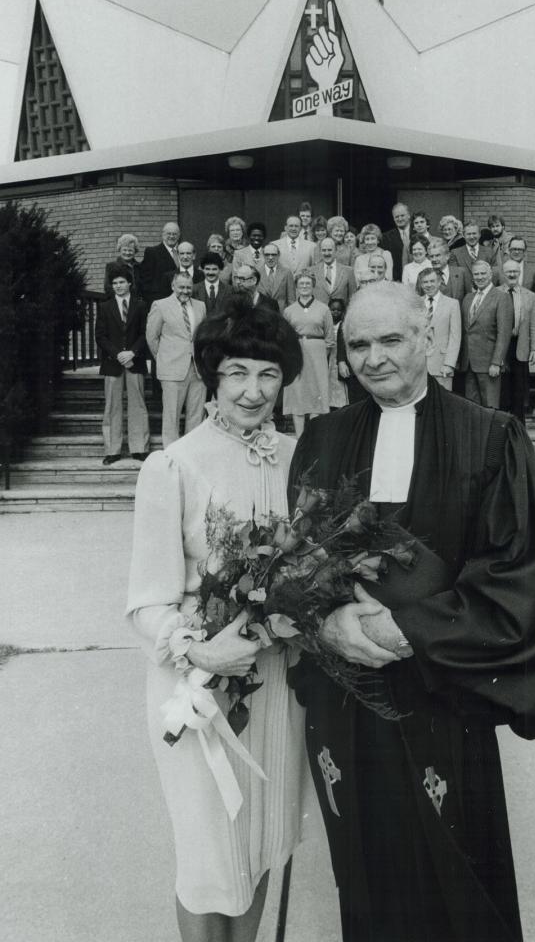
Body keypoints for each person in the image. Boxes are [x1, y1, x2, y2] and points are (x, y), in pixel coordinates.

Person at [288, 282, 535, 942]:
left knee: (453, 875)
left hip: (442, 697)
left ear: (427, 339)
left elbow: (520, 572)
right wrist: (326, 621)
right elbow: (297, 559)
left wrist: (410, 629)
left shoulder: (491, 437)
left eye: (391, 340)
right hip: (349, 697)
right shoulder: (323, 438)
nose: (373, 358)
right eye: (358, 344)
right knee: (364, 870)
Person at [127, 298, 319, 942]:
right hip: (201, 692)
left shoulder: (299, 458)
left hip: (278, 689)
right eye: (237, 372)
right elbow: (146, 601)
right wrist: (203, 653)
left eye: (267, 374)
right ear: (212, 377)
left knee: (262, 841)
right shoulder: (173, 466)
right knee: (210, 856)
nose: (253, 390)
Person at [94, 267, 150, 464]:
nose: (118, 286)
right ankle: (112, 450)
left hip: (135, 361)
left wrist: (132, 352)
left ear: (129, 284)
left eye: (122, 282)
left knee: (138, 404)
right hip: (113, 362)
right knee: (112, 406)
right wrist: (117, 353)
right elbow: (100, 335)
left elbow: (145, 333)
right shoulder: (105, 306)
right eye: (115, 283)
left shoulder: (141, 305)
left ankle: (139, 448)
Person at [146, 272, 207, 447]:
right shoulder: (160, 305)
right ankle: (171, 451)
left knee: (196, 414)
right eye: (181, 287)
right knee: (171, 414)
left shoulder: (200, 306)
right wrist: (164, 359)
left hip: (197, 368)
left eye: (188, 287)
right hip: (172, 369)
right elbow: (152, 337)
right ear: (173, 286)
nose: (185, 291)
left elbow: (201, 336)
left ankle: (191, 450)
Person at [282, 269, 335, 437]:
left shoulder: (323, 309)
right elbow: (285, 336)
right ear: (296, 287)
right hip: (297, 353)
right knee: (297, 391)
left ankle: (312, 437)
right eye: (301, 284)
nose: (304, 286)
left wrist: (322, 355)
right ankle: (299, 438)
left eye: (307, 284)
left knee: (316, 393)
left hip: (317, 353)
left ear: (313, 286)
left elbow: (329, 336)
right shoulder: (289, 310)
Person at [460, 260, 512, 408]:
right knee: (472, 406)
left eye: (483, 273)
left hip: (489, 363)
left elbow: (504, 333)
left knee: (490, 406)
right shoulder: (468, 299)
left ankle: (490, 432)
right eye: (476, 274)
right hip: (469, 363)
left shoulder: (502, 297)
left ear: (490, 275)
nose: (480, 277)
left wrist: (496, 362)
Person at [498, 260, 535, 420]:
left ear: (519, 273)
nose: (512, 274)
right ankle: (501, 425)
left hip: (520, 345)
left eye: (515, 271)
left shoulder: (530, 296)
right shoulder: (495, 293)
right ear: (503, 273)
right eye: (509, 271)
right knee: (502, 389)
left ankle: (518, 427)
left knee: (519, 390)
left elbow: (534, 325)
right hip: (501, 347)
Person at [418, 266, 461, 391]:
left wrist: (449, 364)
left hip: (442, 365)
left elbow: (455, 337)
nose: (429, 285)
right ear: (421, 284)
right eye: (425, 282)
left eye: (432, 281)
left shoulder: (452, 304)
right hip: (420, 366)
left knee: (443, 404)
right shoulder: (416, 304)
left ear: (439, 282)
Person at [141, 221, 182, 309]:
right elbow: (146, 281)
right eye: (169, 233)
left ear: (179, 235)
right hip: (160, 302)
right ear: (163, 234)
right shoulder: (152, 252)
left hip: (181, 301)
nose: (171, 236)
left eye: (174, 234)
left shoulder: (183, 252)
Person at [449, 222, 498, 290]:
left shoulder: (489, 252)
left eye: (474, 233)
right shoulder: (455, 253)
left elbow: (494, 275)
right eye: (468, 234)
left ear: (479, 234)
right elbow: (455, 278)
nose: (472, 237)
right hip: (464, 294)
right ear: (463, 235)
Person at [312, 238, 357, 306]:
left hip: (341, 314)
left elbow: (353, 298)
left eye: (330, 250)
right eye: (324, 250)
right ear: (320, 252)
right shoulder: (312, 271)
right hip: (319, 314)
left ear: (336, 251)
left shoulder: (348, 271)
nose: (327, 253)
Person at [257, 244, 295, 311]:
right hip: (262, 315)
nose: (270, 257)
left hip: (281, 315)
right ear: (263, 255)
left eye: (273, 254)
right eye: (267, 254)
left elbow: (291, 299)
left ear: (278, 255)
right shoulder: (257, 273)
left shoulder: (286, 273)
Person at [103, 233, 142, 299]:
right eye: (124, 250)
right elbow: (108, 288)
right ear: (120, 250)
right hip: (119, 303)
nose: (127, 253)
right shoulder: (112, 266)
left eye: (130, 250)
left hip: (138, 304)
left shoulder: (140, 267)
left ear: (135, 251)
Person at [327, 297, 349, 409]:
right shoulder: (326, 325)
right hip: (328, 359)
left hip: (338, 359)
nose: (335, 312)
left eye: (338, 310)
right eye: (333, 309)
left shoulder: (344, 325)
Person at [380, 202, 413, 271]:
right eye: (397, 217)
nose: (400, 219)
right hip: (395, 278)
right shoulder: (386, 237)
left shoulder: (417, 233)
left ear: (409, 215)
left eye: (402, 215)